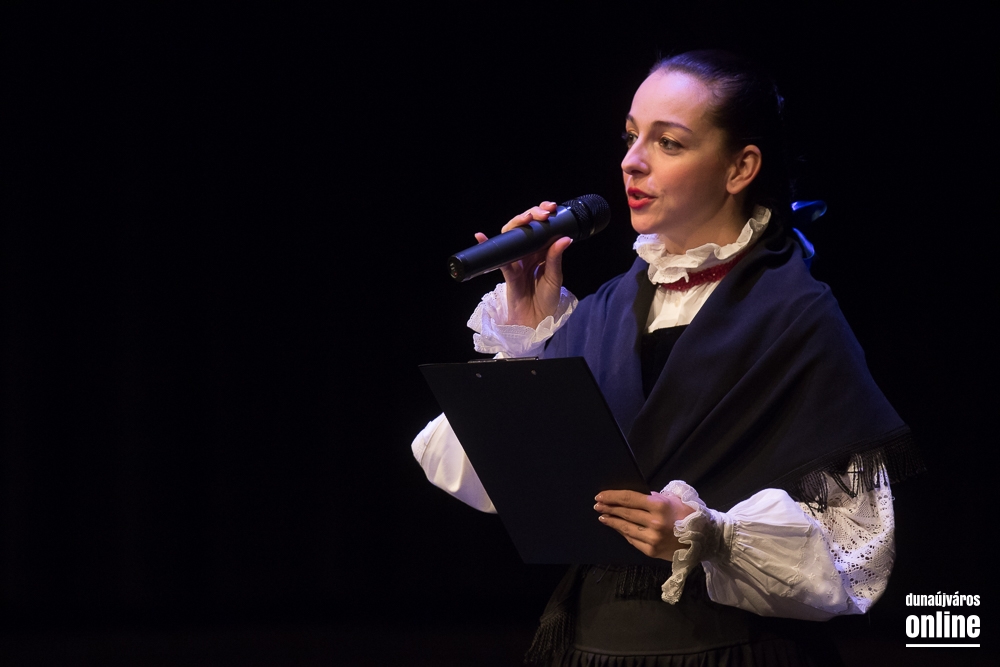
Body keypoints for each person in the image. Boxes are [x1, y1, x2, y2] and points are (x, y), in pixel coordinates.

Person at [411, 50, 921, 666]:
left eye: (668, 142)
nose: (632, 160)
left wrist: (710, 536)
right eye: (630, 136)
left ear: (740, 168)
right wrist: (525, 335)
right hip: (591, 646)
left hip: (730, 648)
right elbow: (496, 473)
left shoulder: (795, 315)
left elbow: (855, 551)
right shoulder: (600, 313)